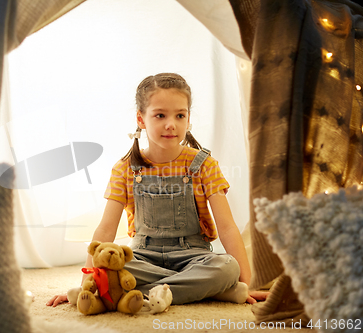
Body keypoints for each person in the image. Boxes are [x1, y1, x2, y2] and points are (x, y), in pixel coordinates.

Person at [47, 73, 268, 307]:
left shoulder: (205, 165)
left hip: (192, 255)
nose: (170, 124)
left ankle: (131, 291)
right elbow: (105, 230)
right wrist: (87, 285)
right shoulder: (125, 169)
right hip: (142, 255)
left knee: (227, 268)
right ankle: (211, 291)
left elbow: (227, 227)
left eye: (179, 115)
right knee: (109, 264)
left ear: (188, 118)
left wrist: (248, 284)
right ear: (141, 119)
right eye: (160, 115)